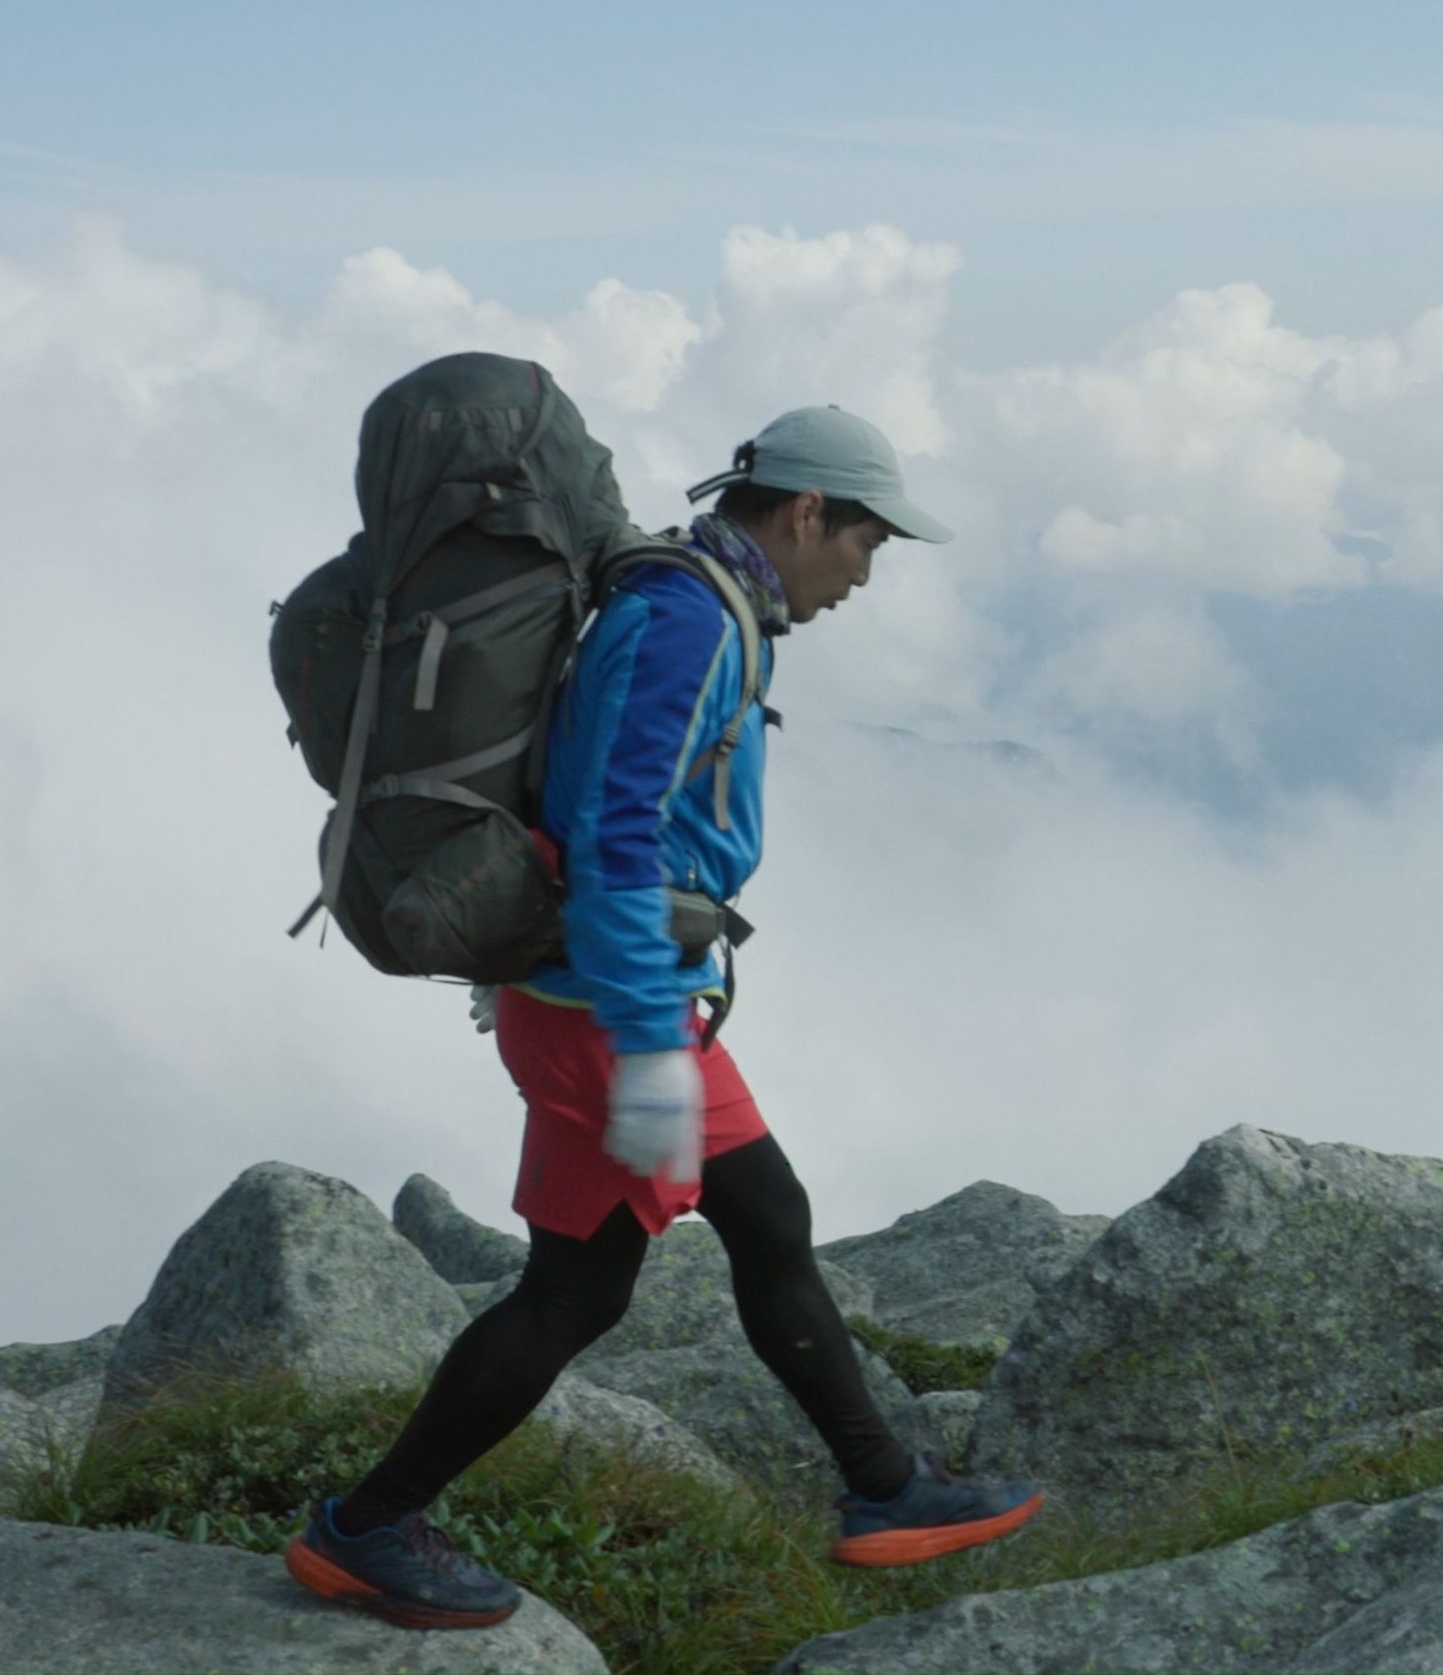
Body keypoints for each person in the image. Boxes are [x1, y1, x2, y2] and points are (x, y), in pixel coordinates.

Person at [283, 406, 1043, 1631]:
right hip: (608, 1006)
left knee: (640, 1268)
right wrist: (647, 1043)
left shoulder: (697, 602)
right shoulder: (689, 620)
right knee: (643, 1267)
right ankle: (367, 1529)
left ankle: (883, 1487)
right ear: (806, 513)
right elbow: (615, 831)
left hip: (596, 991)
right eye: (867, 544)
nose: (865, 572)